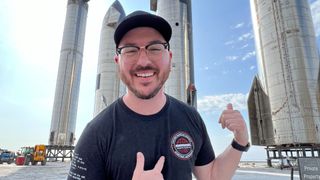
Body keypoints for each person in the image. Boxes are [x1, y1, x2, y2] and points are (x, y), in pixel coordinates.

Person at [68, 10, 249, 180]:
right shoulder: (96, 133)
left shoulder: (191, 118)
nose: (144, 61)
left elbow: (211, 176)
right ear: (118, 62)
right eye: (130, 50)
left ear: (169, 57)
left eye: (154, 48)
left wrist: (239, 141)